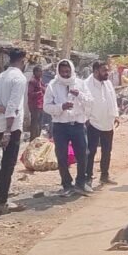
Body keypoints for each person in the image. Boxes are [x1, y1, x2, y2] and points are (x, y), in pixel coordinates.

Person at [0, 49, 29, 215]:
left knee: (6, 163)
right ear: (23, 60)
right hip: (12, 128)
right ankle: (2, 202)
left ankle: (2, 198)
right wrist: (9, 131)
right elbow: (13, 106)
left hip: (0, 126)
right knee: (8, 165)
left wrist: (1, 110)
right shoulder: (19, 78)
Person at [43, 59, 94, 196]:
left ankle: (81, 183)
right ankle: (66, 184)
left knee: (83, 154)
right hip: (60, 126)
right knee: (62, 156)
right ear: (58, 72)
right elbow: (46, 107)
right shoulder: (53, 86)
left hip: (77, 124)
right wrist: (61, 107)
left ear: (72, 70)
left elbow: (90, 101)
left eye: (67, 71)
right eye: (62, 71)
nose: (65, 74)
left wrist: (79, 95)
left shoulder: (80, 84)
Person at [85, 60, 119, 186]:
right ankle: (88, 177)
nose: (107, 73)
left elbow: (113, 99)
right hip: (93, 122)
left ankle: (104, 175)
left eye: (107, 70)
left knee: (107, 150)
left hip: (107, 121)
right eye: (104, 70)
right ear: (95, 71)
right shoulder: (86, 84)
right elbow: (83, 103)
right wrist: (86, 119)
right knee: (91, 150)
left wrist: (115, 115)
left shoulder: (108, 83)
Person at [27, 66, 45, 140]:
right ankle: (33, 139)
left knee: (40, 123)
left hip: (41, 105)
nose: (41, 73)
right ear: (35, 72)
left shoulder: (40, 80)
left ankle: (37, 138)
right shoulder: (32, 81)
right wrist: (39, 92)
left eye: (41, 71)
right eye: (39, 71)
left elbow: (43, 89)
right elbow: (30, 93)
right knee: (35, 123)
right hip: (35, 105)